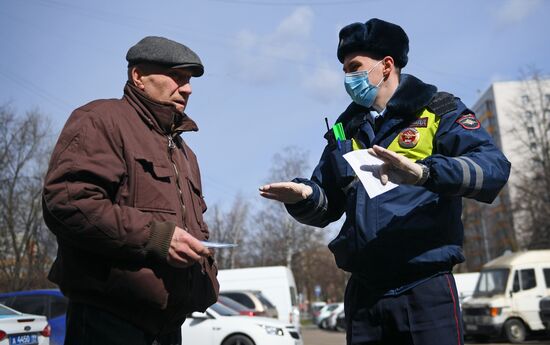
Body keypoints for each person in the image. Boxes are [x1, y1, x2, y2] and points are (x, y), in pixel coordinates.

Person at [259, 18, 510, 345]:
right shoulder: (343, 131)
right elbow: (327, 205)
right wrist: (304, 196)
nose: (348, 78)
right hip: (365, 296)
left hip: (425, 288)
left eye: (354, 67)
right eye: (345, 70)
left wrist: (425, 173)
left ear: (386, 65)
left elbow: (493, 168)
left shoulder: (438, 110)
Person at [42, 36, 218, 345]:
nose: (187, 88)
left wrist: (204, 270)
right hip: (108, 322)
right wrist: (158, 238)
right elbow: (68, 203)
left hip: (167, 326)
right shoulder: (101, 121)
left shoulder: (184, 153)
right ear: (138, 77)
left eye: (188, 81)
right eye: (177, 77)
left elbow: (192, 228)